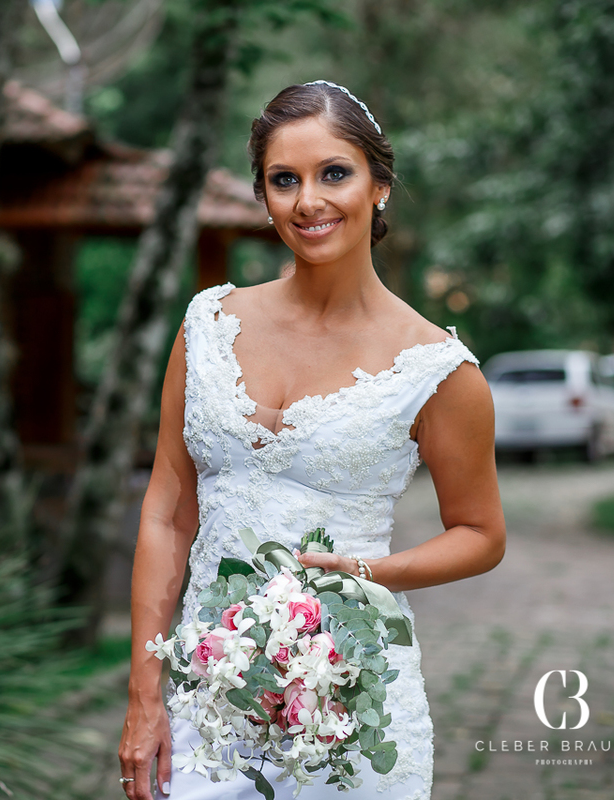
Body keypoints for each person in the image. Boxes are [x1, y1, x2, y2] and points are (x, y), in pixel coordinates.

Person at [117, 81, 507, 800]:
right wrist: (147, 692)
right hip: (209, 698)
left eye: (335, 173)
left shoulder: (437, 369)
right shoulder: (208, 327)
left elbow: (481, 533)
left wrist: (366, 573)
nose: (309, 201)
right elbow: (169, 512)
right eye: (284, 180)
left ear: (379, 184)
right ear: (263, 197)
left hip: (350, 701)